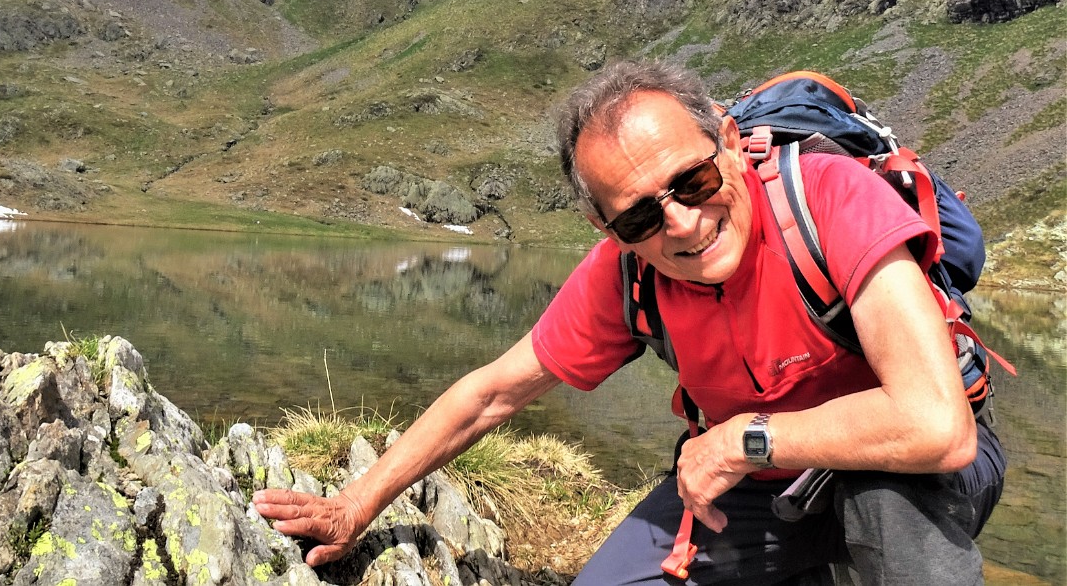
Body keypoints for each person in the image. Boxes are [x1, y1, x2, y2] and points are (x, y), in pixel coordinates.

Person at [253, 59, 1005, 585]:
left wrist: (745, 439)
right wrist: (354, 505)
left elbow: (936, 425)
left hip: (910, 469)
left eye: (694, 181)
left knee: (885, 506)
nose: (681, 224)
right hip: (760, 482)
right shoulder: (627, 275)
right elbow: (491, 394)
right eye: (641, 215)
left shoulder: (829, 202)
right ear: (601, 222)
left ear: (727, 143)